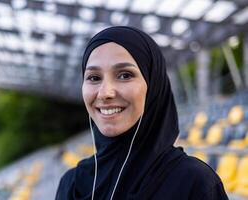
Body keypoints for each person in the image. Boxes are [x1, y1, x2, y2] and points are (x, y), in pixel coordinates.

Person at [56, 26, 228, 200]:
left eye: (124, 75)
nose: (105, 93)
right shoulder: (72, 184)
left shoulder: (195, 183)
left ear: (153, 85)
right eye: (94, 77)